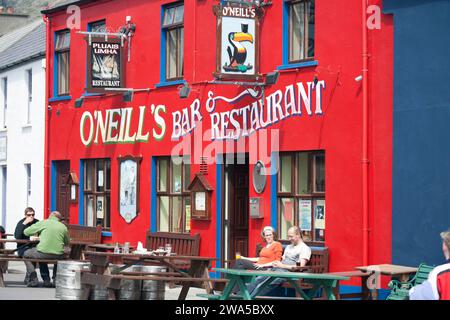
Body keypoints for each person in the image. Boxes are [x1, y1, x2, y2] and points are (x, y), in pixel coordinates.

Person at [247, 226, 312, 296]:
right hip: (278, 269)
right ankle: (241, 296)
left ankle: (249, 298)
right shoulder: (289, 247)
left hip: (290, 273)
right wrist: (277, 264)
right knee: (259, 279)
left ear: (298, 235)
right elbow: (282, 260)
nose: (289, 239)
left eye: (291, 236)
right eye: (288, 236)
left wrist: (282, 265)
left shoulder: (304, 248)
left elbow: (301, 267)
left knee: (266, 284)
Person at [23, 211, 70, 287]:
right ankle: (56, 280)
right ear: (59, 219)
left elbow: (26, 232)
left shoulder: (44, 223)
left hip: (43, 253)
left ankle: (34, 279)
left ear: (50, 216)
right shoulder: (63, 226)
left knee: (26, 254)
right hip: (58, 254)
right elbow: (67, 241)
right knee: (56, 257)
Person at [409, 229, 450, 300]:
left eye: (444, 243)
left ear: (446, 247)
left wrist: (411, 291)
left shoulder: (441, 273)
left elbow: (417, 296)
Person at [14, 207, 40, 285]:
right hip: (23, 247)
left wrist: (39, 238)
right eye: (29, 215)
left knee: (34, 255)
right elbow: (17, 236)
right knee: (29, 256)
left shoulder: (37, 222)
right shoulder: (21, 223)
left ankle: (29, 276)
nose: (31, 216)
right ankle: (30, 276)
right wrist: (24, 224)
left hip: (34, 246)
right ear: (25, 215)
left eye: (33, 214)